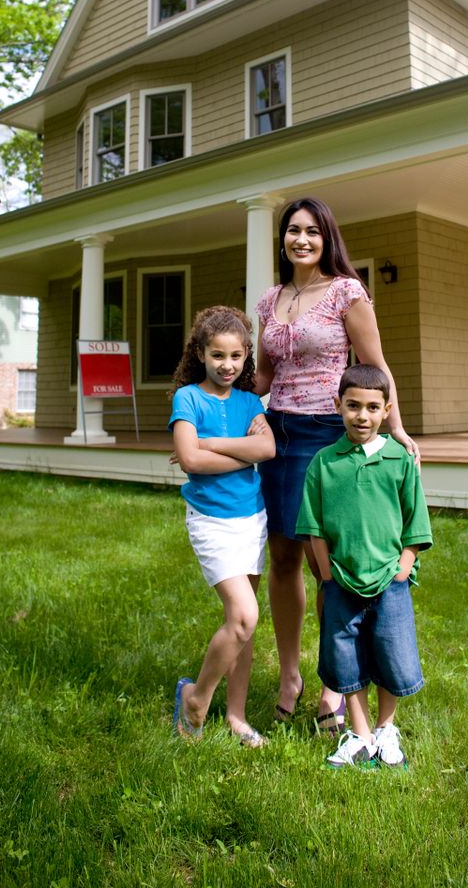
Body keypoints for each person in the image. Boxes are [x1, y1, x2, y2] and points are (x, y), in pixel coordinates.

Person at [255, 196, 420, 733]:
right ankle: (290, 677)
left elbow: (375, 366)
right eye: (292, 230)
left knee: (325, 562)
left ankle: (336, 682)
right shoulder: (269, 300)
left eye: (312, 231)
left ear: (326, 238)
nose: (301, 240)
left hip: (328, 435)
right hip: (277, 434)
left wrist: (395, 428)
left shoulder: (347, 292)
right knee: (282, 556)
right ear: (282, 239)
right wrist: (207, 397)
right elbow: (262, 379)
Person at [296, 363, 432, 769]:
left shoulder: (399, 460)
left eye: (373, 408)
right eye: (353, 405)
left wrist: (403, 568)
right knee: (346, 657)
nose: (362, 416)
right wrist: (327, 576)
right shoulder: (324, 463)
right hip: (341, 579)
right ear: (337, 405)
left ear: (387, 410)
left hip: (390, 579)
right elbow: (313, 526)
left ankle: (386, 729)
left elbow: (416, 522)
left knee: (392, 652)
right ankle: (360, 735)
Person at [169, 306, 275, 747]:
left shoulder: (250, 402)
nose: (227, 365)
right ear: (200, 354)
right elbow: (190, 461)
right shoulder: (188, 399)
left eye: (236, 356)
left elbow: (267, 450)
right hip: (211, 521)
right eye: (217, 355)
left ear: (246, 355)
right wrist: (241, 451)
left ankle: (237, 715)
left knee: (242, 625)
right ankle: (196, 698)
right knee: (245, 615)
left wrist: (211, 443)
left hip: (252, 518)